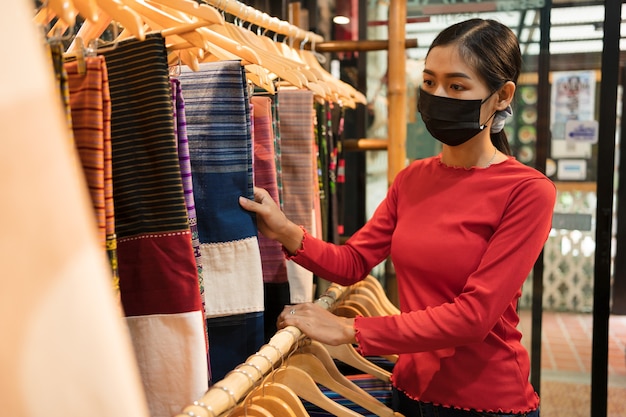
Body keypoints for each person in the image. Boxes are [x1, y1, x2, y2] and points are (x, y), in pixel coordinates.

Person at [239, 18, 555, 417]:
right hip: (407, 390)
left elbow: (474, 317)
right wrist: (285, 230)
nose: (438, 95)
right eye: (429, 82)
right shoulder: (412, 178)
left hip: (485, 402)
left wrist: (351, 329)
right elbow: (353, 263)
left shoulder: (527, 191)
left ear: (502, 95)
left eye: (456, 86)